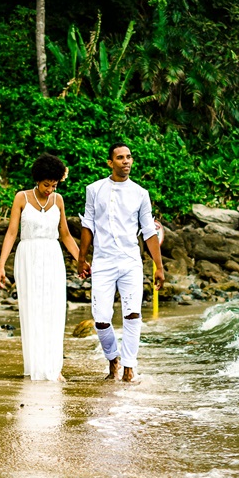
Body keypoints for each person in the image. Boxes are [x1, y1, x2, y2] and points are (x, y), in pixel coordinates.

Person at [77, 142, 165, 382]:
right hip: (103, 262)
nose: (125, 161)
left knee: (133, 314)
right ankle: (113, 358)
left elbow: (148, 231)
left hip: (130, 262)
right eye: (120, 158)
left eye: (128, 157)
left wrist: (159, 267)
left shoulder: (140, 193)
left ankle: (129, 366)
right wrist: (81, 259)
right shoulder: (94, 189)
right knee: (101, 318)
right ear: (110, 162)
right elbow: (88, 225)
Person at [0, 154, 81, 381]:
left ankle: (54, 367)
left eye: (53, 185)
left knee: (53, 310)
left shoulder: (59, 200)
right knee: (32, 309)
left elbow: (65, 235)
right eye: (46, 185)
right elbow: (12, 233)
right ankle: (35, 366)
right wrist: (1, 265)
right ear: (37, 180)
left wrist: (82, 260)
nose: (49, 190)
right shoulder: (21, 198)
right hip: (28, 256)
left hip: (52, 256)